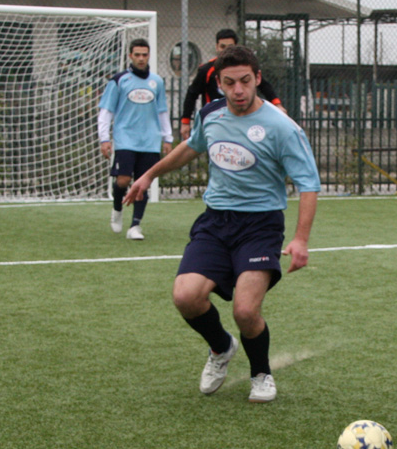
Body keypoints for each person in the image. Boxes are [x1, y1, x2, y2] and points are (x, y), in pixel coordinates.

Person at [123, 45, 320, 403]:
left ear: (257, 79)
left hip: (260, 226)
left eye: (245, 81)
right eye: (229, 83)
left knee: (245, 310)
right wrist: (148, 175)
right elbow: (189, 147)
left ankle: (261, 373)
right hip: (215, 222)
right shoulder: (211, 113)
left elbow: (308, 183)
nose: (238, 90)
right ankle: (221, 348)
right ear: (220, 85)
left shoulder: (281, 127)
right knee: (186, 296)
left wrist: (301, 239)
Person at [98, 38, 173, 240]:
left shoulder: (156, 81)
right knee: (123, 180)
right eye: (137, 55)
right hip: (125, 139)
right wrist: (104, 138)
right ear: (130, 56)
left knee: (143, 184)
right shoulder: (119, 80)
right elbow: (106, 111)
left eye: (144, 55)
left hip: (150, 141)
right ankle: (117, 209)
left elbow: (162, 111)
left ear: (149, 56)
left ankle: (135, 227)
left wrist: (167, 138)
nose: (141, 59)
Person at [180, 28, 285, 141]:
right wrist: (185, 121)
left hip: (241, 119)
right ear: (217, 47)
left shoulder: (243, 67)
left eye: (229, 47)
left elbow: (263, 85)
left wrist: (277, 104)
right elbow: (192, 93)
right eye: (222, 47)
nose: (225, 51)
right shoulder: (206, 70)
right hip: (217, 122)